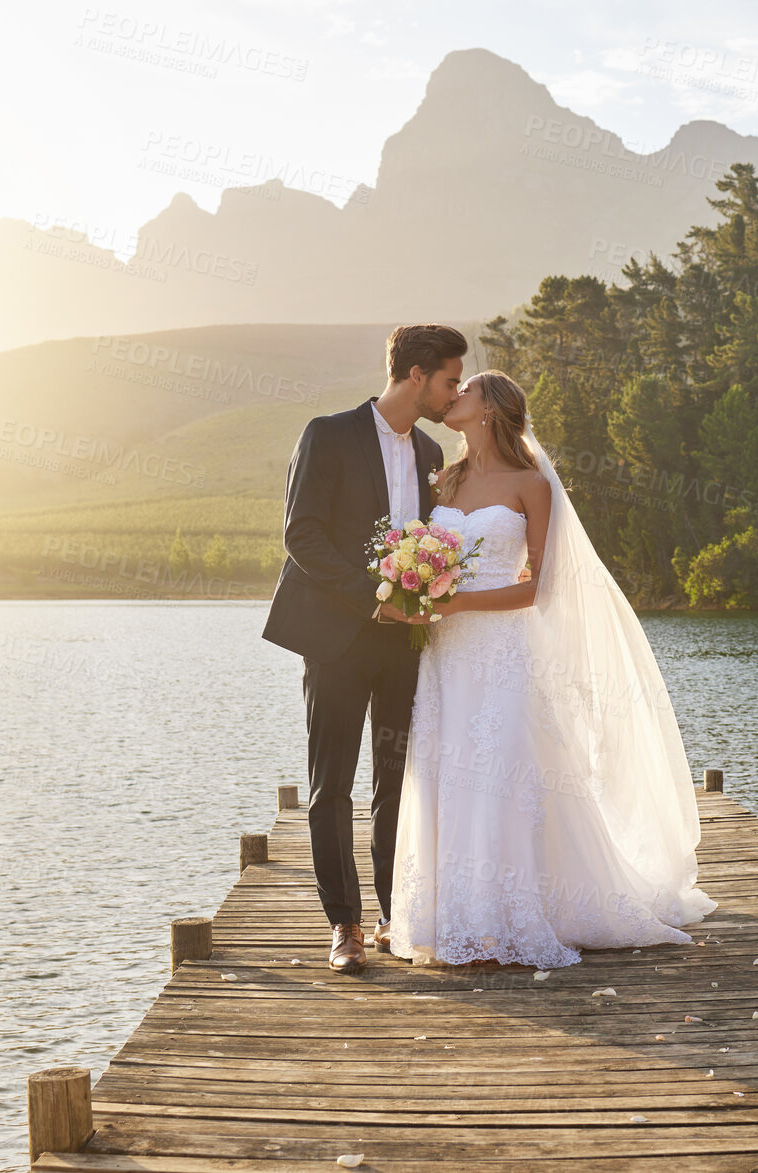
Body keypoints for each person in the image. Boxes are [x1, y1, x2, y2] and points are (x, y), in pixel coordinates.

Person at [385, 370, 716, 968]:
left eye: (465, 392)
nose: (452, 398)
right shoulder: (445, 479)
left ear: (489, 411)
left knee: (502, 773)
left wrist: (457, 601)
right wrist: (418, 597)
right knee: (449, 773)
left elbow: (539, 588)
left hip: (504, 652)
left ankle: (510, 914)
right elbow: (426, 556)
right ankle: (454, 916)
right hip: (447, 655)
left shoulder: (531, 485)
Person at [262, 323, 466, 974]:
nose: (451, 393)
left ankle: (389, 914)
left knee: (395, 782)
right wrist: (369, 594)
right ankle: (342, 925)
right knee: (331, 787)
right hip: (335, 635)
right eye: (447, 380)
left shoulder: (431, 453)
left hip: (403, 643)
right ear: (414, 375)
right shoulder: (327, 435)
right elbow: (302, 534)